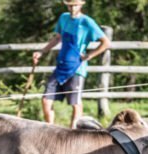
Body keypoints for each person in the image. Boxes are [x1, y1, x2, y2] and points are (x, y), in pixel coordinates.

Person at [33, 0, 110, 128]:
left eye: (75, 5)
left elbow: (106, 42)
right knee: (46, 99)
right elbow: (58, 38)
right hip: (61, 66)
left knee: (75, 103)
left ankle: (73, 133)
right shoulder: (63, 18)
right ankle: (50, 129)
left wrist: (89, 56)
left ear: (81, 5)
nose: (73, 8)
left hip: (77, 68)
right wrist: (42, 51)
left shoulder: (87, 22)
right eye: (70, 5)